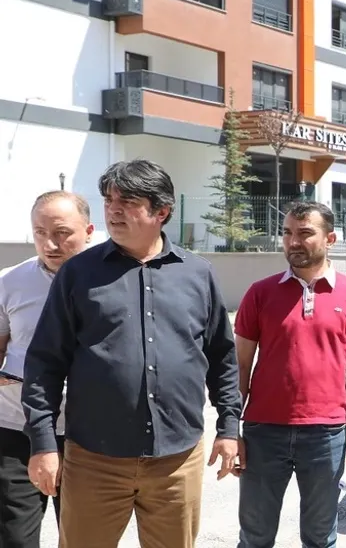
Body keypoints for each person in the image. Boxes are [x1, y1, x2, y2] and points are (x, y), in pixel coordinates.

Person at [22, 159, 241, 548]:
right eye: (109, 200)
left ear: (162, 211)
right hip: (94, 460)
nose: (113, 210)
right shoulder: (78, 274)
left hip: (177, 460)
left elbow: (222, 358)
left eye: (128, 201)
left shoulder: (198, 274)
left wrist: (228, 427)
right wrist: (43, 443)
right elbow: (44, 364)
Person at [233, 201, 346, 548]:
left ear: (330, 238)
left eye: (305, 233)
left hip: (326, 435)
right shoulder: (260, 293)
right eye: (287, 233)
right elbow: (239, 365)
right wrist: (229, 430)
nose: (293, 242)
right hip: (262, 432)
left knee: (320, 538)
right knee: (254, 538)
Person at [0, 191, 94, 546]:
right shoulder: (10, 281)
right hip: (16, 429)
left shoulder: (112, 281)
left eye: (61, 233)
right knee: (15, 537)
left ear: (88, 230)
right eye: (40, 233)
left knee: (83, 536)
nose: (50, 244)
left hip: (86, 433)